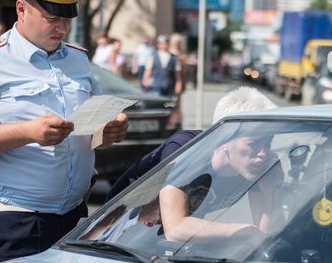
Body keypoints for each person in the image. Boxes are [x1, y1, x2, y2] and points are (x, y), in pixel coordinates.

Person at [0, 0, 129, 263]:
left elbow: (89, 131)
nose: (62, 28)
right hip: (16, 223)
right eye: (52, 18)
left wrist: (108, 131)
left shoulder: (79, 60)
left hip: (73, 220)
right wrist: (27, 132)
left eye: (68, 18)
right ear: (21, 9)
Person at [105, 86, 278, 202]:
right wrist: (247, 233)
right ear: (225, 139)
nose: (264, 153)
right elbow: (175, 229)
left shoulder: (252, 165)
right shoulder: (184, 150)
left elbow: (264, 237)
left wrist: (270, 191)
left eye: (268, 142)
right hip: (114, 231)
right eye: (254, 143)